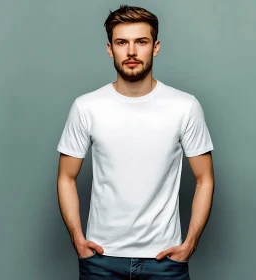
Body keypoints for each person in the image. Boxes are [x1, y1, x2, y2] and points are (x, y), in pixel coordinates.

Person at [56, 4, 214, 280]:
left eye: (141, 41)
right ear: (110, 49)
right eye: (122, 42)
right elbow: (66, 177)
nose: (131, 51)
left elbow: (205, 179)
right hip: (100, 260)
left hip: (165, 261)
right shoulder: (86, 107)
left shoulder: (184, 106)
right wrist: (77, 239)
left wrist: (190, 244)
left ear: (155, 47)